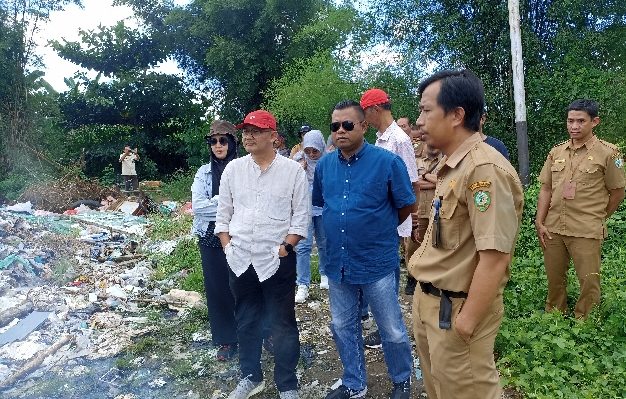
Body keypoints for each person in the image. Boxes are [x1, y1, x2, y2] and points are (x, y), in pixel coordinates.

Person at [408, 69, 524, 399]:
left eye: (427, 110)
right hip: (431, 303)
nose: (420, 120)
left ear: (457, 115)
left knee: (467, 391)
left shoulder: (484, 169)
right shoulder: (453, 165)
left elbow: (495, 256)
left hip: (456, 311)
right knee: (441, 390)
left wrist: (467, 322)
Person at [314, 100, 415, 399]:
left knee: (391, 328)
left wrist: (377, 229)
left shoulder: (387, 162)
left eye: (347, 125)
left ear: (363, 126)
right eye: (335, 126)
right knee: (342, 326)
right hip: (338, 263)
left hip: (376, 261)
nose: (340, 131)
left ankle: (402, 380)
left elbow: (406, 204)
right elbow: (323, 204)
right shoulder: (324, 166)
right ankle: (354, 383)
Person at [215, 110, 309, 399]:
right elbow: (224, 214)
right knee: (246, 321)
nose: (248, 136)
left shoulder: (292, 170)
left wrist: (286, 248)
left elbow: (301, 217)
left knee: (282, 323)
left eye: (256, 131)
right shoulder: (234, 169)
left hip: (276, 260)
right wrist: (227, 246)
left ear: (273, 136)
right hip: (241, 258)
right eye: (245, 131)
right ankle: (251, 376)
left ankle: (287, 384)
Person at [535, 99, 625, 319]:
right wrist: (540, 221)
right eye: (570, 121)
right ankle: (555, 316)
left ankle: (585, 322)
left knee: (588, 280)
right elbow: (546, 188)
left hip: (586, 229)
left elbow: (618, 192)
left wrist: (599, 217)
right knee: (554, 279)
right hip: (554, 227)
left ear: (595, 122)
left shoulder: (609, 153)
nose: (574, 126)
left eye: (580, 121)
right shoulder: (556, 152)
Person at [360, 88, 419, 347]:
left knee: (389, 273)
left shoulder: (399, 140)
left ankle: (389, 330)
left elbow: (412, 182)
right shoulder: (381, 138)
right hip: (382, 215)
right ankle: (386, 326)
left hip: (394, 217)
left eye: (365, 113)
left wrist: (404, 218)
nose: (364, 118)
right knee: (384, 269)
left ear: (375, 110)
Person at [191, 120, 239, 361]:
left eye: (223, 140)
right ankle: (227, 339)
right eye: (213, 141)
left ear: (232, 142)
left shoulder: (244, 167)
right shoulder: (203, 172)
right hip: (210, 237)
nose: (218, 146)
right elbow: (198, 208)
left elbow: (250, 203)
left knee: (247, 285)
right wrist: (228, 202)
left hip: (241, 236)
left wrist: (224, 204)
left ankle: (259, 333)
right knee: (218, 289)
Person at [294, 129, 329, 303]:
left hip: (323, 207)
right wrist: (300, 169)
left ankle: (325, 274)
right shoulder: (297, 161)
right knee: (302, 247)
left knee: (324, 243)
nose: (311, 154)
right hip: (303, 209)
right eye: (308, 150)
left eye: (315, 150)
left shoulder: (329, 160)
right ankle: (302, 284)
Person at [404, 140, 442, 295]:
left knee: (435, 245)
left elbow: (444, 181)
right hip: (418, 211)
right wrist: (433, 181)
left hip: (436, 211)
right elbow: (411, 182)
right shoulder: (415, 161)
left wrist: (424, 176)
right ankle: (411, 277)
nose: (433, 146)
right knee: (412, 246)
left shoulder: (445, 162)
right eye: (430, 144)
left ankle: (430, 279)